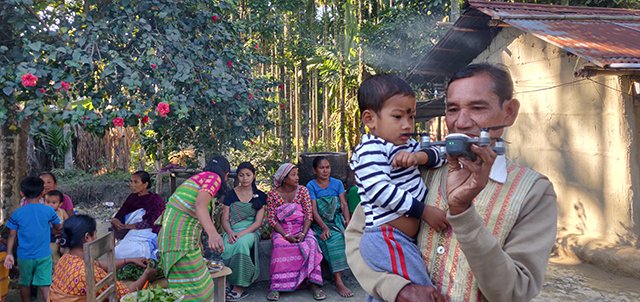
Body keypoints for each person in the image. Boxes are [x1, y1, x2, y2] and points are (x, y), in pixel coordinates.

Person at [345, 63, 558, 302]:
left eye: (478, 107)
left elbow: (514, 291)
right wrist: (396, 288)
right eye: (453, 109)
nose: (462, 122)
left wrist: (463, 213)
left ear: (509, 112)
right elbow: (357, 238)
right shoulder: (415, 168)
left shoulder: (533, 193)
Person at [349, 74, 447, 302]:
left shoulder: (408, 145)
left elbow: (442, 154)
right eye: (398, 116)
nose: (407, 124)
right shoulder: (370, 150)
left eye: (411, 116)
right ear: (370, 119)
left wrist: (420, 157)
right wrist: (423, 211)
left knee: (388, 296)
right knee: (421, 292)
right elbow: (379, 191)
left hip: (399, 240)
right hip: (386, 238)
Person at [157, 156, 231, 302]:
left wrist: (197, 242)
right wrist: (213, 234)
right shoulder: (214, 178)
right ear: (226, 175)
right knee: (197, 292)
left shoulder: (199, 178)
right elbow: (200, 206)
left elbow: (188, 212)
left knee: (196, 288)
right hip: (178, 242)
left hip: (174, 240)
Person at [50, 215, 155, 301]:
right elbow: (126, 293)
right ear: (87, 237)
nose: (96, 237)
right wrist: (147, 274)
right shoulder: (89, 273)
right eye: (95, 234)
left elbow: (99, 264)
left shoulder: (64, 259)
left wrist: (128, 260)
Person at [266, 163, 325, 301]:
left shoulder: (303, 191)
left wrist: (303, 234)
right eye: (293, 175)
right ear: (284, 178)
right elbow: (272, 219)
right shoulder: (273, 194)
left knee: (311, 243)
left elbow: (308, 215)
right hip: (282, 230)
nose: (297, 178)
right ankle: (276, 286)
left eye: (297, 174)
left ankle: (314, 284)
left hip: (301, 228)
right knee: (280, 246)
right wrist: (286, 235)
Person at [4, 176, 62, 302]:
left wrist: (9, 254)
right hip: (44, 255)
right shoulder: (49, 211)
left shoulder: (17, 214)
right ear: (42, 193)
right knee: (45, 284)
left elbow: (12, 235)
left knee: (24, 282)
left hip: (24, 255)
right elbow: (58, 227)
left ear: (22, 193)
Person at [306, 156, 353, 298]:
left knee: (345, 236)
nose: (325, 171)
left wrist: (348, 221)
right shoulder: (311, 186)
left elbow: (343, 204)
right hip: (321, 223)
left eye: (328, 167)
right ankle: (338, 280)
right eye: (321, 168)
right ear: (315, 170)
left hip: (336, 220)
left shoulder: (337, 183)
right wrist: (324, 227)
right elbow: (313, 210)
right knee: (331, 240)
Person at [220, 162, 267, 301]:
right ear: (237, 177)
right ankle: (228, 281)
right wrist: (230, 232)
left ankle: (239, 286)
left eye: (248, 175)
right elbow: (225, 219)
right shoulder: (230, 194)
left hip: (250, 232)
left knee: (240, 244)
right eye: (241, 175)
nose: (245, 178)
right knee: (227, 245)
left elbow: (258, 223)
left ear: (254, 176)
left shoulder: (260, 196)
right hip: (232, 230)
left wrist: (241, 234)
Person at [111, 171, 165, 260]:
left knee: (137, 251)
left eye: (136, 182)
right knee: (117, 252)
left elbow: (154, 221)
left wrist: (129, 226)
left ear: (145, 184)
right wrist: (115, 220)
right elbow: (121, 213)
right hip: (131, 233)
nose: (132, 185)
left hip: (147, 232)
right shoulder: (132, 198)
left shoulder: (155, 200)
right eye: (131, 181)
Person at [44, 190, 69, 263]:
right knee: (53, 251)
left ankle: (66, 263)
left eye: (54, 203)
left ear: (60, 204)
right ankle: (57, 266)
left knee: (67, 250)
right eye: (47, 202)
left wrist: (64, 225)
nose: (50, 205)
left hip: (62, 236)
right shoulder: (44, 214)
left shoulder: (62, 212)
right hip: (51, 238)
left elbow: (68, 221)